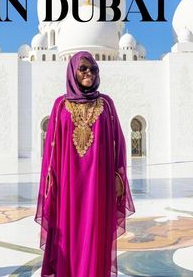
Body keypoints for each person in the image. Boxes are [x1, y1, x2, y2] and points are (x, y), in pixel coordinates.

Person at [35, 51, 135, 277]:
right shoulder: (60, 105)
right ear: (72, 71)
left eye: (93, 69)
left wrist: (119, 176)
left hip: (98, 184)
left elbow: (118, 141)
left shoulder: (106, 104)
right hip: (68, 185)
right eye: (83, 69)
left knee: (95, 231)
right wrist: (49, 179)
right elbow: (51, 145)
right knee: (70, 232)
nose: (89, 73)